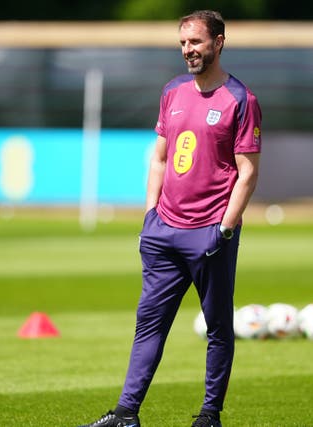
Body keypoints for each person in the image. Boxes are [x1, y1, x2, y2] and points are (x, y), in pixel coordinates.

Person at [78, 10, 262, 427]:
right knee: (148, 325)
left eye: (195, 42)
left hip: (210, 233)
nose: (188, 50)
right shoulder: (173, 92)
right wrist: (149, 214)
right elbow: (159, 158)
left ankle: (209, 415)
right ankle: (126, 415)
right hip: (163, 231)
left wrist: (225, 228)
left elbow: (247, 172)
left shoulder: (241, 100)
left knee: (217, 327)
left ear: (218, 42)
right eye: (183, 43)